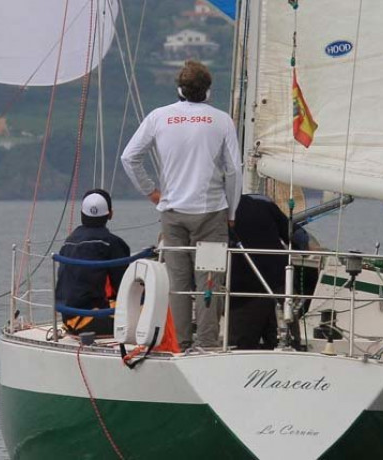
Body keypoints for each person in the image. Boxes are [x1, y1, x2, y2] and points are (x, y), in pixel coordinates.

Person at [121, 60, 242, 350]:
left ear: (179, 89)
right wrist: (233, 211)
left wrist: (151, 192)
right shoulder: (222, 119)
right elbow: (234, 170)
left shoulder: (159, 117)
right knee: (209, 283)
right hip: (212, 213)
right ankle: (207, 344)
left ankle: (181, 342)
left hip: (173, 213)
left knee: (177, 284)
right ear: (208, 91)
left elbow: (129, 158)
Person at [230, 194, 317, 350]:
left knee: (240, 352)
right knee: (289, 348)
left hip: (242, 294)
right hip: (279, 286)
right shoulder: (262, 205)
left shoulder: (213, 213)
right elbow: (298, 237)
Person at [55, 190, 131, 336]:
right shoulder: (111, 243)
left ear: (82, 214)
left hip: (68, 317)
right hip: (90, 320)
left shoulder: (69, 241)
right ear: (110, 214)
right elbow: (124, 287)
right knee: (149, 315)